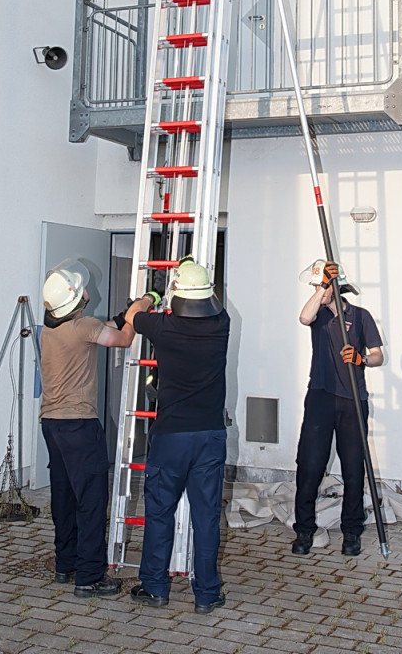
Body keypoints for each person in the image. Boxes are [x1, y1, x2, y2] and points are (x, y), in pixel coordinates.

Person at [40, 258, 156, 598]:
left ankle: (66, 564)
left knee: (64, 496)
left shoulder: (52, 330)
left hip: (53, 424)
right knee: (91, 499)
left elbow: (100, 329)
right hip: (79, 425)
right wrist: (140, 308)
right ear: (77, 299)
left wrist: (122, 315)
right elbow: (122, 339)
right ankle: (90, 577)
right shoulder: (84, 327)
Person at [125, 257, 230, 614]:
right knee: (206, 516)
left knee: (160, 512)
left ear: (177, 295)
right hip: (210, 435)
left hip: (171, 436)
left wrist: (151, 296)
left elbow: (132, 316)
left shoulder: (161, 327)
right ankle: (207, 594)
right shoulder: (222, 323)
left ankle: (155, 587)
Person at [292, 259, 383, 557]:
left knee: (353, 467)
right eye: (315, 286)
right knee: (310, 466)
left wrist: (361, 359)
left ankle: (352, 532)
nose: (316, 290)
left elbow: (377, 355)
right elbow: (304, 317)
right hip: (320, 396)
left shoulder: (360, 316)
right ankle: (304, 530)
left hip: (353, 399)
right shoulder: (318, 316)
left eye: (321, 286)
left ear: (337, 286)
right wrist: (322, 288)